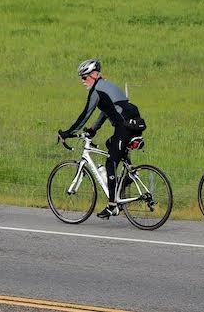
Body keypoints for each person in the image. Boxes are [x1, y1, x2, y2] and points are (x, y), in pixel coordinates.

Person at [58, 59, 146, 220]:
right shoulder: (107, 85)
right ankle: (127, 177)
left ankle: (112, 206)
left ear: (93, 75)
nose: (82, 81)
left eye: (84, 78)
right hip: (134, 120)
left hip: (125, 126)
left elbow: (85, 114)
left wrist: (68, 132)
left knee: (110, 162)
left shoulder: (97, 90)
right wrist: (93, 130)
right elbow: (107, 111)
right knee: (110, 144)